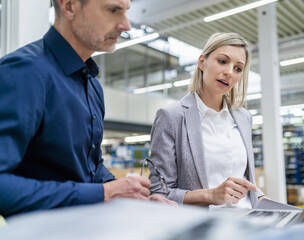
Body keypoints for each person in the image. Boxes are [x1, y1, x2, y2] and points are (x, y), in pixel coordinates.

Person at [0, 0, 173, 217]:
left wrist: (129, 193)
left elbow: (92, 168)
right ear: (70, 6)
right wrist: (102, 194)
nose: (126, 25)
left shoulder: (91, 85)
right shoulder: (23, 72)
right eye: (113, 10)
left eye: (126, 12)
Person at [149, 33, 265, 207]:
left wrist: (263, 199)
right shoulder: (171, 116)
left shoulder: (244, 118)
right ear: (202, 62)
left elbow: (246, 180)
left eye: (238, 68)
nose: (229, 72)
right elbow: (161, 192)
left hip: (247, 220)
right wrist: (210, 195)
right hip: (203, 226)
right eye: (222, 61)